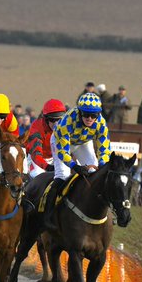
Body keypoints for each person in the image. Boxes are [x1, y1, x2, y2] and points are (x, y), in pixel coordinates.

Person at [43, 91, 112, 229]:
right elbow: (62, 152)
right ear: (80, 112)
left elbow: (104, 149)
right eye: (86, 114)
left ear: (98, 114)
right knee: (62, 175)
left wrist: (103, 165)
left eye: (94, 115)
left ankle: (98, 211)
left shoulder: (101, 124)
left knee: (94, 172)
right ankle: (48, 215)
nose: (90, 118)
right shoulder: (67, 121)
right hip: (61, 142)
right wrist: (75, 166)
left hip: (83, 143)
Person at [23, 98, 67, 177]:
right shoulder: (36, 128)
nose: (56, 124)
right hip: (36, 159)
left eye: (59, 120)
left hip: (56, 156)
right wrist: (47, 167)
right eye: (52, 120)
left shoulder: (66, 124)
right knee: (37, 175)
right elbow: (36, 154)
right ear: (46, 119)